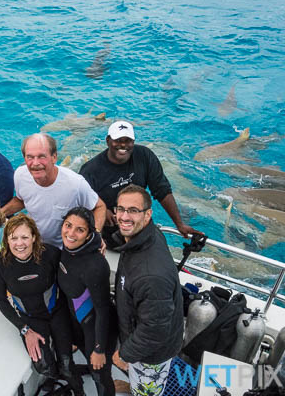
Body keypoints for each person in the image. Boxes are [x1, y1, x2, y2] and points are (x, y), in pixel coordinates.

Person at [0, 214, 84, 395]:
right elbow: (1, 301)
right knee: (43, 367)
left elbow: (75, 265)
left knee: (67, 366)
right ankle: (53, 376)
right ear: (7, 240)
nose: (20, 243)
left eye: (25, 237)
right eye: (14, 238)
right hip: (30, 320)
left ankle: (78, 390)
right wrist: (25, 330)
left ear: (34, 237)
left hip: (57, 314)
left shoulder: (50, 254)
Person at [79, 120, 200, 247]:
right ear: (108, 140)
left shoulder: (144, 156)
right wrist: (100, 211)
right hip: (110, 236)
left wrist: (179, 224)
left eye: (128, 141)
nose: (123, 145)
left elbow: (162, 190)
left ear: (133, 142)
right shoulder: (90, 171)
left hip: (140, 230)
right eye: (118, 140)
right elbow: (82, 205)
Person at [111, 184, 184, 395]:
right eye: (121, 209)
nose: (124, 216)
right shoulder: (143, 237)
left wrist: (124, 354)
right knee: (139, 379)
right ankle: (134, 385)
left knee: (148, 389)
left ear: (147, 214)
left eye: (133, 211)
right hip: (143, 342)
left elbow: (154, 331)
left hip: (152, 354)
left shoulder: (151, 275)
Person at [2, 133, 106, 249]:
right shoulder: (20, 175)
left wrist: (95, 236)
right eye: (30, 157)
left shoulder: (75, 184)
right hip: (33, 243)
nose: (35, 163)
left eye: (42, 156)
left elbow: (99, 207)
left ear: (54, 157)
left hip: (63, 248)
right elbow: (22, 200)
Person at [57, 207, 117, 396]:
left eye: (79, 230)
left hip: (96, 328)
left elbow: (103, 310)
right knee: (88, 364)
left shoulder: (95, 265)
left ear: (88, 234)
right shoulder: (66, 249)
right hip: (77, 322)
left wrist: (99, 349)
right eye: (68, 225)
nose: (71, 233)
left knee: (100, 374)